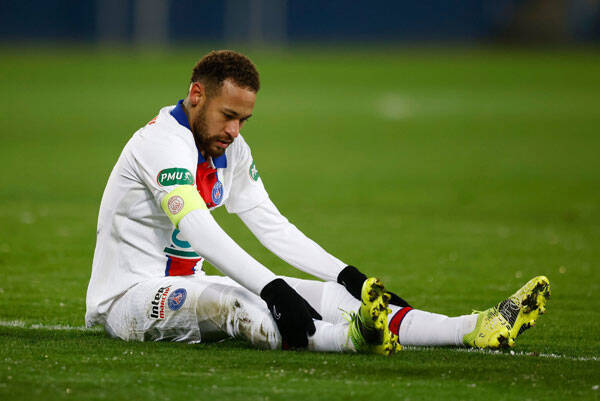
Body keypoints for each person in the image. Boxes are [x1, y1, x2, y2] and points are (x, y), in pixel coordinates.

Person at [85, 50, 550, 354]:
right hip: (128, 299)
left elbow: (271, 225)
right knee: (236, 302)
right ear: (196, 95)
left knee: (333, 297)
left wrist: (349, 276)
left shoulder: (231, 150)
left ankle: (473, 327)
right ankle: (350, 341)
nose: (234, 131)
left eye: (244, 120)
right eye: (228, 116)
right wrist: (272, 289)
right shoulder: (161, 144)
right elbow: (198, 230)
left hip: (186, 286)